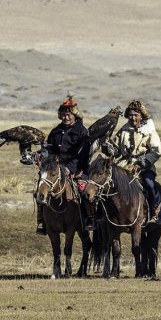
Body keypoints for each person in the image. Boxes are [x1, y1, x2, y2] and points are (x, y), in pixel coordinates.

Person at [37, 95, 90, 235]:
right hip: (55, 169)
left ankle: (88, 220)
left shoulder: (82, 132)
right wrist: (43, 154)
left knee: (83, 191)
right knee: (41, 188)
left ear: (74, 115)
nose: (66, 117)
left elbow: (83, 155)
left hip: (77, 169)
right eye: (63, 115)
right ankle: (42, 221)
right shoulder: (55, 131)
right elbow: (49, 148)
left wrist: (69, 168)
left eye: (69, 114)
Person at [105, 100, 161, 225]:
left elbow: (155, 151)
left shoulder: (149, 131)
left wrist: (142, 162)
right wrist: (110, 149)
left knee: (149, 184)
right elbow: (116, 148)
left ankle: (155, 212)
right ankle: (103, 215)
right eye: (130, 115)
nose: (133, 117)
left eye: (136, 115)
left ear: (142, 115)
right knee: (107, 184)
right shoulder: (124, 130)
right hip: (124, 164)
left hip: (144, 166)